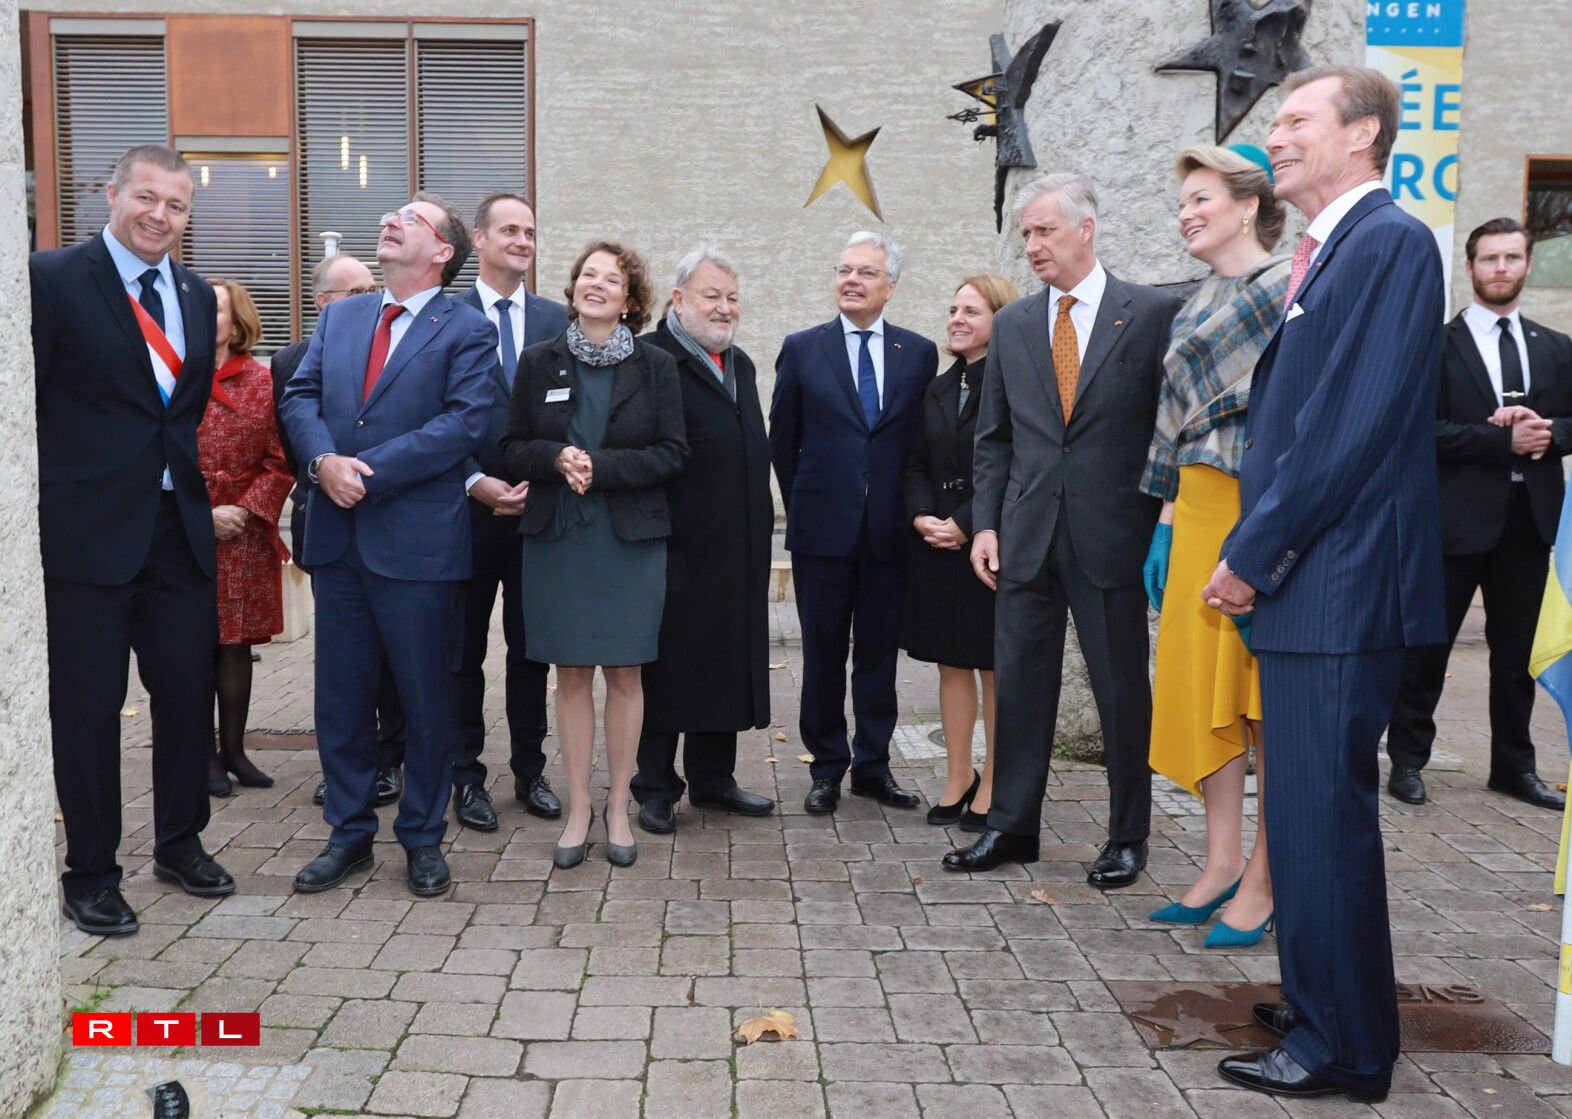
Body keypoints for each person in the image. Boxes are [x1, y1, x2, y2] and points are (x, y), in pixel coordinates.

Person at [1202, 66, 1445, 1102]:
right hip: (1320, 585)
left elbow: (1346, 431)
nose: (1277, 137)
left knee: (1317, 818)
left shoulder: (1389, 242)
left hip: (1336, 586)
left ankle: (1342, 1050)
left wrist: (1253, 556)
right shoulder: (1336, 248)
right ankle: (1329, 1003)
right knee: (1304, 817)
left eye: (1297, 120)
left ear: (1362, 135)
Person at [946, 174, 1180, 880]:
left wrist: (1164, 515)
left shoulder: (1148, 314)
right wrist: (984, 525)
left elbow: (1167, 430)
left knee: (1120, 690)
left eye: (1044, 230)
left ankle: (1128, 835)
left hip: (1112, 535)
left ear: (1086, 228)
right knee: (1018, 688)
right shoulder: (1015, 322)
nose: (1033, 245)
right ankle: (1011, 827)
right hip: (1024, 537)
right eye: (1025, 234)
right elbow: (995, 439)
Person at [32, 143, 234, 936]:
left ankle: (180, 843)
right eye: (146, 197)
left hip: (175, 530)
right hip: (85, 535)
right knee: (88, 707)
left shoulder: (192, 291)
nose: (160, 215)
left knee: (187, 694)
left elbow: (175, 416)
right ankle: (90, 870)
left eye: (176, 205)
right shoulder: (51, 279)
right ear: (111, 194)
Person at [281, 194, 494, 898]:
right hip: (340, 544)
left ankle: (423, 838)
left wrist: (366, 474)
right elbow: (300, 398)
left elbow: (464, 424)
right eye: (394, 212)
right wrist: (321, 463)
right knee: (340, 700)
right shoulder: (341, 316)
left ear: (441, 252)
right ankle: (348, 835)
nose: (393, 220)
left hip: (418, 546)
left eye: (413, 217)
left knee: (425, 700)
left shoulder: (466, 329)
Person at [1142, 146, 1290, 948]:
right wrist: (1165, 521)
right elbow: (1172, 415)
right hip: (1195, 509)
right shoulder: (1199, 296)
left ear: (1247, 203)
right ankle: (1221, 859)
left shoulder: (1288, 288)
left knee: (1260, 700)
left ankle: (1265, 883)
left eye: (1200, 199)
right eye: (1182, 203)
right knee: (1206, 695)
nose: (1187, 213)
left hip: (1254, 511)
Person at [500, 241, 687, 869]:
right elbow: (510, 446)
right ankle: (579, 807)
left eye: (611, 279)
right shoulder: (538, 361)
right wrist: (554, 458)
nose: (596, 285)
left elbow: (671, 454)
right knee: (571, 674)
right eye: (587, 275)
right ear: (574, 286)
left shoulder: (658, 366)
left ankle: (617, 807)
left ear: (631, 298)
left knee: (627, 673)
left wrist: (598, 467)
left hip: (627, 541)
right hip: (558, 539)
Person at [1386, 217, 1572, 810]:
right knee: (1427, 648)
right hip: (1453, 520)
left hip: (1530, 521)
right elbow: (1415, 431)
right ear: (1469, 268)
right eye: (1489, 259)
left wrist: (1546, 434)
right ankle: (1408, 761)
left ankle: (1514, 767)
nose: (1501, 268)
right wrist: (1498, 442)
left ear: (1526, 264)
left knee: (1517, 655)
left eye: (1512, 258)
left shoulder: (1555, 347)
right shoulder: (1433, 346)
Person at [769, 232, 939, 816]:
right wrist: (811, 501)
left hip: (889, 533)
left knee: (876, 656)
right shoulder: (802, 348)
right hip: (822, 531)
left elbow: (919, 444)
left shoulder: (917, 354)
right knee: (820, 653)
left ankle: (873, 767)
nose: (852, 280)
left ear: (890, 286)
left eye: (866, 272)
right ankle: (825, 768)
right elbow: (782, 441)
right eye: (844, 269)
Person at [633, 248, 776, 834]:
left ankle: (714, 779)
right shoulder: (652, 358)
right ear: (678, 300)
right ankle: (655, 788)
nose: (724, 307)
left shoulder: (738, 362)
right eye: (711, 295)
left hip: (736, 545)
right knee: (669, 668)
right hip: (675, 547)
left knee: (724, 659)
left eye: (732, 297)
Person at [447, 191, 568, 831]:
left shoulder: (557, 319)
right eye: (510, 230)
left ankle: (529, 770)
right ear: (479, 238)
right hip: (463, 515)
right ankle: (465, 774)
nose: (522, 241)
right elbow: (431, 414)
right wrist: (475, 482)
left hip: (537, 516)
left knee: (532, 650)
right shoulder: (444, 316)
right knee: (462, 653)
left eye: (530, 231)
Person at [275, 256, 408, 814]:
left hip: (390, 519)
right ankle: (344, 769)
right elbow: (291, 439)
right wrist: (326, 468)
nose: (367, 297)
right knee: (342, 660)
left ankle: (389, 758)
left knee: (394, 656)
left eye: (370, 287)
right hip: (326, 517)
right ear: (323, 304)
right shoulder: (289, 361)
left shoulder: (398, 344)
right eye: (351, 290)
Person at [900, 273, 1019, 829]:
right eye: (952, 309)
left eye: (971, 310)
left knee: (993, 666)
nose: (957, 319)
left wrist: (968, 524)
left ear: (1002, 317)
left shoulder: (1017, 382)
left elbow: (1018, 466)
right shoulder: (940, 387)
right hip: (937, 547)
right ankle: (958, 775)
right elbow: (917, 462)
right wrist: (922, 514)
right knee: (951, 663)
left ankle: (994, 781)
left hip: (990, 546)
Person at [199, 278, 295, 797]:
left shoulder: (265, 381)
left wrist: (245, 508)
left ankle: (234, 750)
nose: (204, 316)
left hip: (243, 533)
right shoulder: (170, 378)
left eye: (214, 309)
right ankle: (202, 754)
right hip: (185, 532)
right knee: (192, 646)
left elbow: (282, 460)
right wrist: (202, 513)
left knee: (235, 645)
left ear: (236, 322)